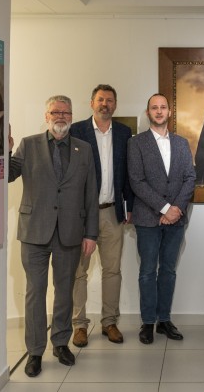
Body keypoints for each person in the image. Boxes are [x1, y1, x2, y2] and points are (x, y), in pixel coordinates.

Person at [8, 95, 99, 377]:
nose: (61, 116)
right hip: (34, 231)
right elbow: (8, 175)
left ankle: (60, 343)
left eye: (66, 112)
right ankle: (35, 351)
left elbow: (91, 194)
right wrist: (4, 151)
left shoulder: (84, 148)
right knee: (35, 292)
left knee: (64, 291)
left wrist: (91, 233)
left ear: (71, 116)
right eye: (55, 112)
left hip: (70, 232)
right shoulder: (29, 144)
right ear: (46, 116)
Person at [127, 93, 195, 344]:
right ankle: (147, 322)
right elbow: (137, 181)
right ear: (148, 113)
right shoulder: (136, 143)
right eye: (154, 108)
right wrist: (165, 208)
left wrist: (175, 209)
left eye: (163, 107)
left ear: (169, 112)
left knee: (168, 270)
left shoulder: (181, 143)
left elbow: (190, 178)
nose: (158, 111)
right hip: (148, 219)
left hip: (176, 220)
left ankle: (164, 320)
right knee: (147, 271)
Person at [70, 84, 134, 347]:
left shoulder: (124, 133)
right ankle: (79, 324)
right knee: (78, 272)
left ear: (115, 105)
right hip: (82, 215)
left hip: (111, 212)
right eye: (100, 100)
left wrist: (129, 205)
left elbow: (128, 172)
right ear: (91, 103)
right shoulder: (77, 131)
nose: (104, 104)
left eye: (109, 100)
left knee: (112, 270)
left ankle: (109, 322)